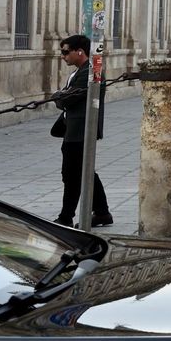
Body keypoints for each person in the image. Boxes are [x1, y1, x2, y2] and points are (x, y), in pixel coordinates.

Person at [52, 35, 111, 227]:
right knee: (85, 172)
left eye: (65, 52)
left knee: (72, 175)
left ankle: (65, 217)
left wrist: (59, 97)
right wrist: (61, 97)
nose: (63, 56)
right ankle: (102, 213)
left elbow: (66, 100)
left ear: (80, 51)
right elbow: (64, 97)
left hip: (81, 130)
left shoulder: (90, 72)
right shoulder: (80, 72)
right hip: (74, 129)